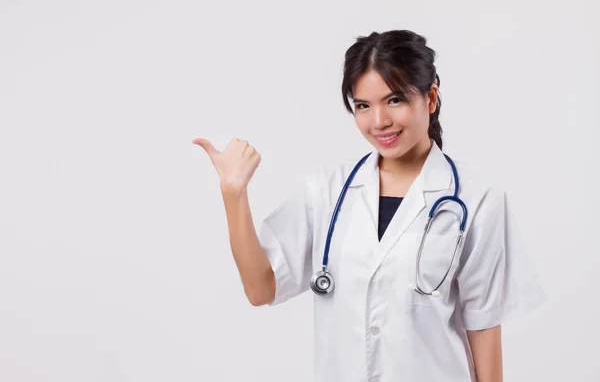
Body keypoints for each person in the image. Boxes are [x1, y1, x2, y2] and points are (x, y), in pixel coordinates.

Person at [193, 30, 547, 382]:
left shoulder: (477, 199)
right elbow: (261, 289)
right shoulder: (326, 190)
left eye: (394, 100)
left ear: (431, 98)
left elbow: (483, 328)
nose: (378, 122)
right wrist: (233, 193)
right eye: (363, 106)